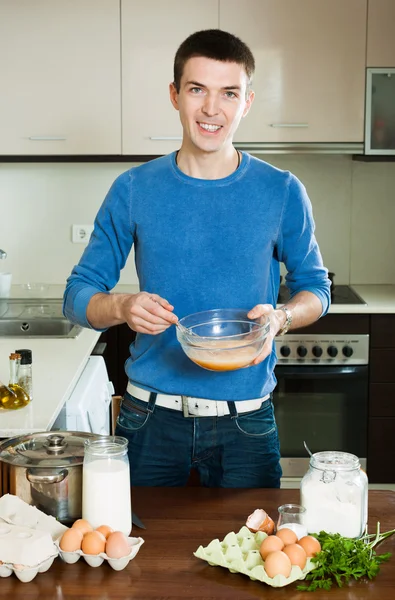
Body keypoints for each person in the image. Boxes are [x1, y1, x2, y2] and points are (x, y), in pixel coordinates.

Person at [63, 29, 330, 488]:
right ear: (175, 95)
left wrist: (281, 316)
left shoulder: (282, 190)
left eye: (229, 93)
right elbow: (77, 297)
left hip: (245, 424)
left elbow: (316, 290)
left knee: (253, 557)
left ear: (246, 102)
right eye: (197, 90)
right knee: (141, 560)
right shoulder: (134, 189)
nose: (212, 109)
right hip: (148, 420)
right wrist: (122, 307)